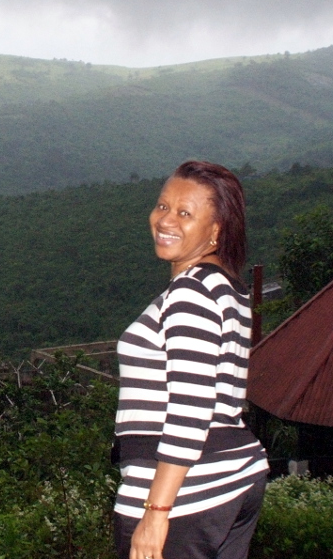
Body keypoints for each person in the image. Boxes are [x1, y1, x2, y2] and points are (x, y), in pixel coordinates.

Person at [113, 161, 269, 559]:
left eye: (185, 213)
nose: (166, 220)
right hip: (230, 478)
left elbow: (190, 409)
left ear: (215, 230)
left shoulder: (190, 293)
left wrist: (156, 513)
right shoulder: (227, 287)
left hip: (187, 491)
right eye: (163, 206)